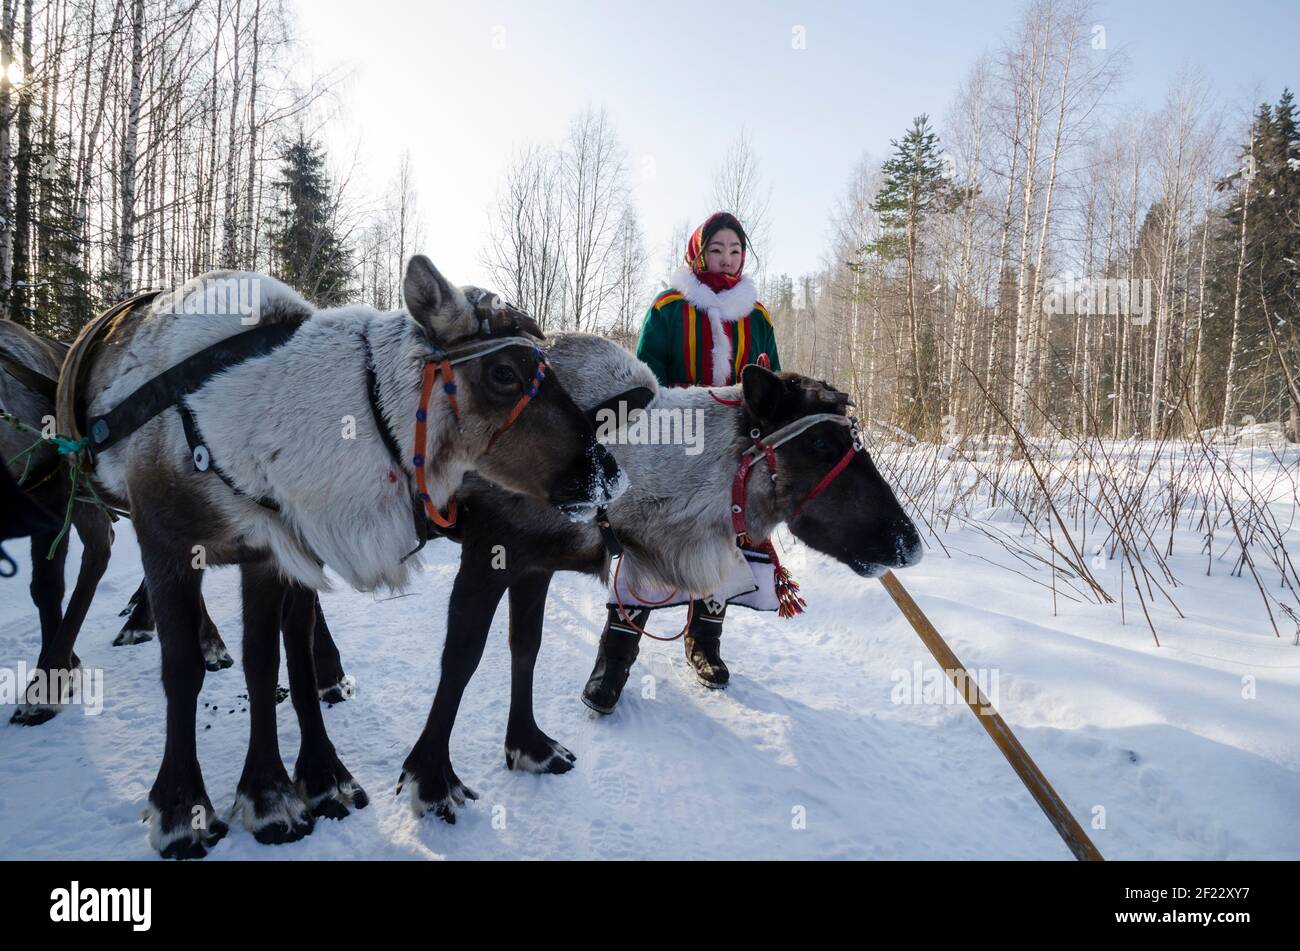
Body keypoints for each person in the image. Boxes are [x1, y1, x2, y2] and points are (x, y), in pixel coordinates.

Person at [582, 211, 780, 715]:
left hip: (733, 459)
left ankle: (704, 644)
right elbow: (647, 381)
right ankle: (614, 661)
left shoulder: (756, 316)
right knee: (652, 551)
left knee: (721, 550)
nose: (727, 258)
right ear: (698, 251)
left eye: (736, 250)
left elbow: (771, 387)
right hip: (673, 451)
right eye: (718, 249)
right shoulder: (669, 309)